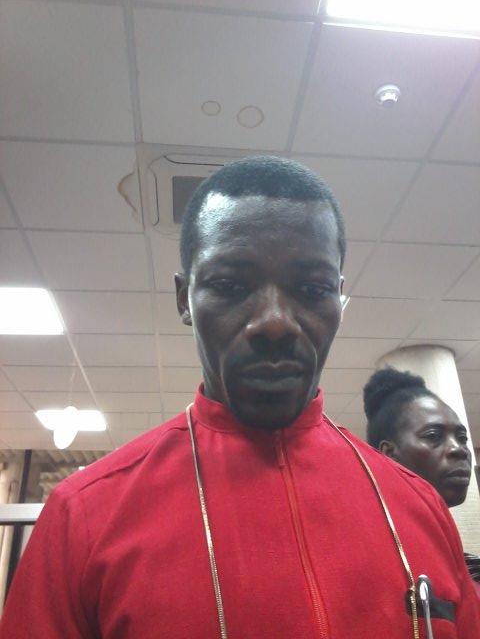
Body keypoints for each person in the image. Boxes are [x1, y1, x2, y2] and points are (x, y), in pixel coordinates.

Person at [1, 156, 479, 638]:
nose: (274, 323)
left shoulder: (419, 505)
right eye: (230, 286)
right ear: (184, 299)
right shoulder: (84, 516)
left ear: (338, 298)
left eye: (312, 288)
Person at [364, 366, 480, 586]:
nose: (459, 449)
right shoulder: (369, 559)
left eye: (462, 438)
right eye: (434, 436)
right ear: (389, 454)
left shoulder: (468, 569)